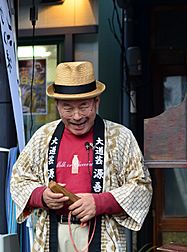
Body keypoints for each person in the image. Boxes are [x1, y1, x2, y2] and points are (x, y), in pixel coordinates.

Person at [10, 61, 153, 251]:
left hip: (103, 235)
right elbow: (18, 180)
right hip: (53, 234)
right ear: (58, 105)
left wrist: (99, 202)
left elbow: (142, 186)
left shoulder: (120, 137)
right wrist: (42, 196)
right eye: (68, 108)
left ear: (96, 102)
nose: (77, 116)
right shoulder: (43, 137)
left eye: (84, 106)